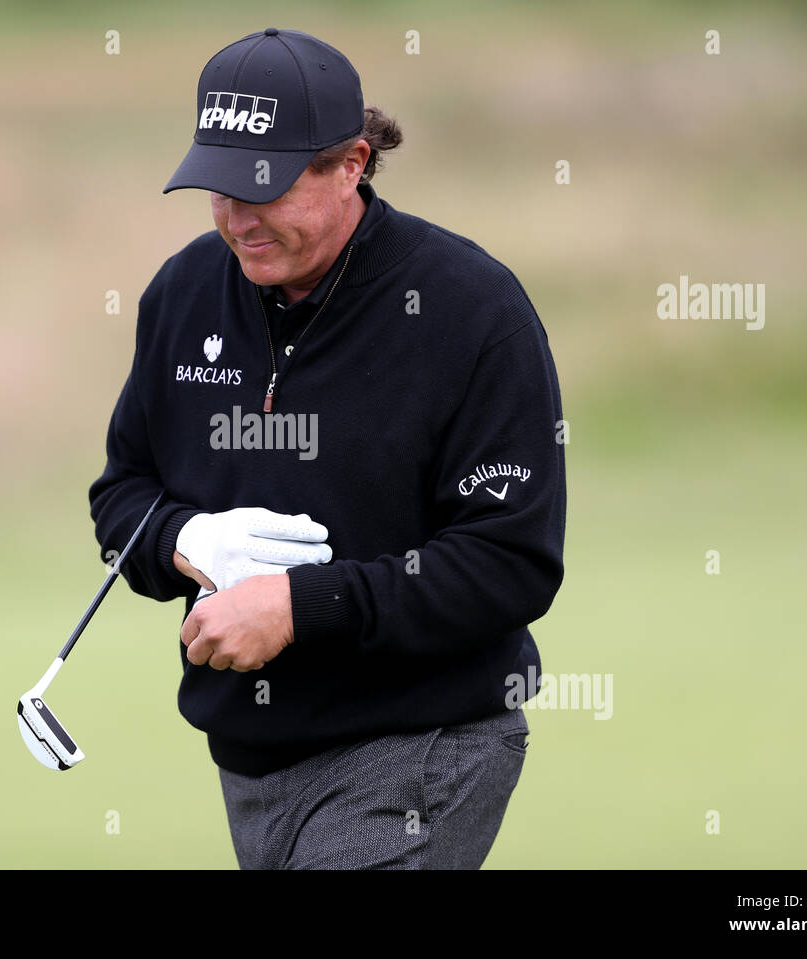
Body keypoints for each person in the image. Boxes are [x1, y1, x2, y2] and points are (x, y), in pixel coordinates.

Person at [88, 27, 566, 869]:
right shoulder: (185, 294)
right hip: (248, 762)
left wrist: (299, 605)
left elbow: (509, 563)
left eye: (264, 189)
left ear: (352, 162)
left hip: (420, 746)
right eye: (218, 189)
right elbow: (123, 491)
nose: (238, 221)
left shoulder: (469, 310)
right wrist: (184, 540)